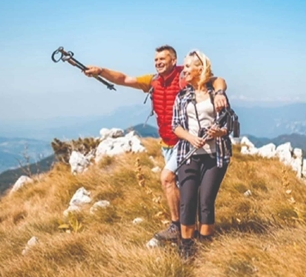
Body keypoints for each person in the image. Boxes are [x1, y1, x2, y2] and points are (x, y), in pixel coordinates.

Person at [83, 46, 227, 243]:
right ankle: (188, 226)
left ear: (173, 60)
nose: (158, 62)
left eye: (162, 59)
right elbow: (124, 79)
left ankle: (178, 227)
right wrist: (101, 71)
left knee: (167, 178)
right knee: (180, 186)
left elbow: (216, 79)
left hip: (184, 142)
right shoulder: (152, 81)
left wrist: (219, 93)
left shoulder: (184, 77)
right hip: (166, 143)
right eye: (156, 59)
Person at [170, 49, 238, 260]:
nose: (184, 70)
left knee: (206, 201)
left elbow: (231, 122)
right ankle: (187, 246)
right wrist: (191, 138)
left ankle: (206, 244)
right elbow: (175, 126)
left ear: (201, 68)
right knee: (187, 200)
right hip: (189, 154)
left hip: (215, 155)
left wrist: (221, 132)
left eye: (189, 66)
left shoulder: (216, 93)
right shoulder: (182, 97)